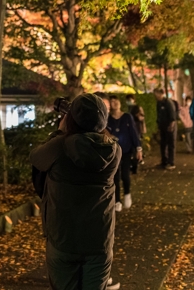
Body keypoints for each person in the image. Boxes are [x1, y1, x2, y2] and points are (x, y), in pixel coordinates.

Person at [30, 94, 121, 290]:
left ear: (70, 118)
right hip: (100, 239)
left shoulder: (59, 146)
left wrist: (59, 132)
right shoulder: (114, 150)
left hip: (63, 237)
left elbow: (36, 157)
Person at [106, 95, 142, 211]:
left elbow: (133, 132)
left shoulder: (127, 117)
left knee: (125, 174)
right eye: (112, 102)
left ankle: (127, 193)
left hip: (126, 150)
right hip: (113, 151)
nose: (115, 103)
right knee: (115, 176)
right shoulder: (108, 119)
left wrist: (138, 148)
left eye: (116, 101)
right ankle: (117, 200)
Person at [154, 89, 178, 170]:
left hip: (169, 126)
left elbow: (172, 116)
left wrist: (171, 125)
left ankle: (171, 162)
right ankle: (164, 161)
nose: (155, 96)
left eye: (156, 94)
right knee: (163, 144)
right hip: (162, 126)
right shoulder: (158, 103)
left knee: (171, 144)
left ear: (161, 94)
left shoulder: (168, 103)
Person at [128, 103, 146, 174]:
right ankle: (133, 166)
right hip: (134, 137)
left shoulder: (140, 119)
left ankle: (135, 166)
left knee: (136, 152)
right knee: (134, 152)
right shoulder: (132, 120)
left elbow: (143, 130)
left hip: (138, 137)